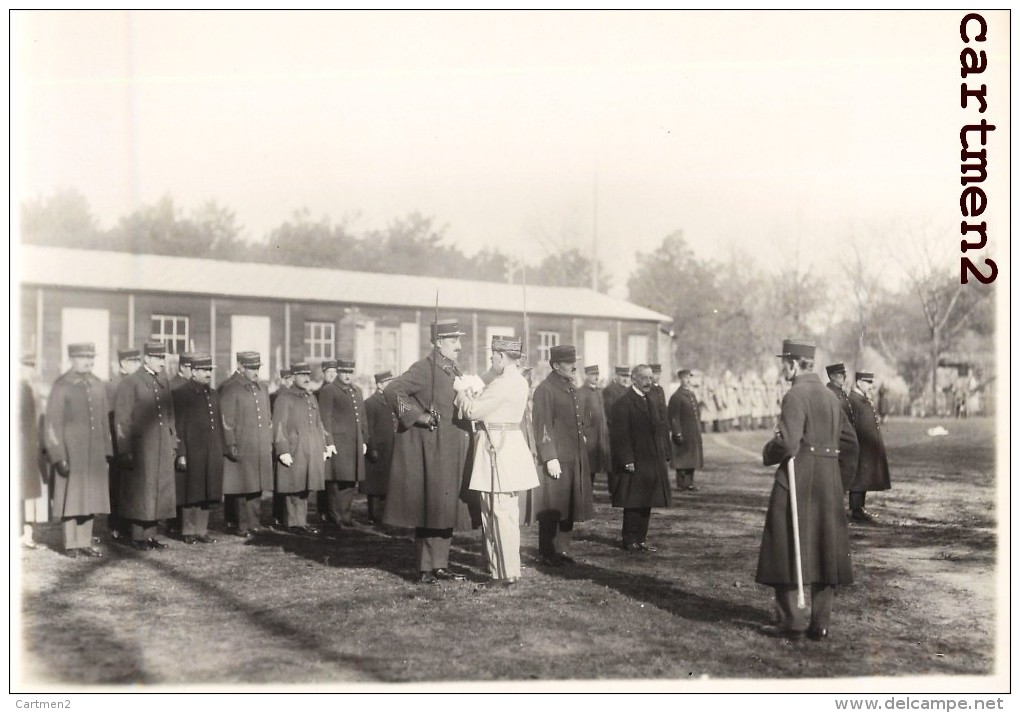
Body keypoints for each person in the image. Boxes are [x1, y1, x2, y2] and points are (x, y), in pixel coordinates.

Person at [756, 338, 857, 641]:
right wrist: (840, 481)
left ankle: (791, 620)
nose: (782, 368)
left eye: (784, 363)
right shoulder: (832, 397)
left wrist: (767, 452)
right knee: (826, 548)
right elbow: (851, 446)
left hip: (797, 480)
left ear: (794, 364)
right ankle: (820, 623)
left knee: (785, 544)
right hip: (828, 482)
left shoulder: (795, 395)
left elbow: (787, 443)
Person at [382, 318, 473, 585]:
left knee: (446, 506)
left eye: (459, 340)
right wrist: (418, 416)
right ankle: (425, 568)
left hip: (452, 448)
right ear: (438, 343)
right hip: (432, 451)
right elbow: (392, 390)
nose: (459, 345)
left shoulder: (453, 370)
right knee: (429, 506)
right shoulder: (424, 369)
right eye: (453, 340)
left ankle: (441, 565)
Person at [461, 336, 540, 588]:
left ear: (502, 357)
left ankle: (503, 573)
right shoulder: (516, 380)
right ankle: (507, 569)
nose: (491, 359)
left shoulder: (503, 383)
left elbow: (473, 411)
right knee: (505, 512)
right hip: (509, 444)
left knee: (497, 512)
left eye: (493, 355)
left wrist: (461, 391)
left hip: (497, 448)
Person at [43, 344, 112, 558]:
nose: (88, 361)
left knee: (90, 497)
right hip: (71, 453)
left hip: (94, 453)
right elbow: (51, 425)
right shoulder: (62, 386)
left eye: (91, 357)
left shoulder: (98, 384)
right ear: (72, 359)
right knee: (71, 497)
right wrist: (58, 456)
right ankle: (70, 543)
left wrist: (107, 451)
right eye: (83, 357)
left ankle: (84, 541)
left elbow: (103, 421)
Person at [531, 344, 593, 567]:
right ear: (556, 365)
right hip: (558, 458)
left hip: (574, 456)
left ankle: (563, 550)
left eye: (574, 361)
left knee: (569, 504)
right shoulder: (545, 389)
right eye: (569, 362)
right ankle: (547, 552)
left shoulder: (569, 386)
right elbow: (543, 425)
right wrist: (550, 457)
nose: (574, 366)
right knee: (552, 505)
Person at [114, 341, 176, 551]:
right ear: (147, 358)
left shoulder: (162, 381)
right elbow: (122, 420)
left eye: (163, 358)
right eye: (158, 358)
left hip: (161, 445)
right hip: (141, 448)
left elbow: (169, 415)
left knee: (158, 489)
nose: (162, 362)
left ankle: (150, 535)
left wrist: (173, 440)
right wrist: (125, 450)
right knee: (142, 491)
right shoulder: (131, 383)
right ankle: (137, 535)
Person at [608, 364, 672, 552]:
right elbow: (620, 435)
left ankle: (641, 539)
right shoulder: (623, 403)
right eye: (644, 378)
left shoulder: (650, 399)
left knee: (647, 500)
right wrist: (627, 459)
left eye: (650, 378)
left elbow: (658, 429)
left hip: (651, 459)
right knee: (633, 501)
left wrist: (664, 453)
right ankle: (629, 539)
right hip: (634, 459)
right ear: (634, 378)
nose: (648, 382)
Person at [271, 362, 335, 533]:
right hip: (294, 448)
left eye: (308, 375)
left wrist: (323, 446)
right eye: (302, 375)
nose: (306, 378)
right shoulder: (284, 398)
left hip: (310, 449)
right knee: (293, 487)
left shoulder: (311, 397)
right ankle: (292, 523)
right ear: (292, 377)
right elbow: (279, 426)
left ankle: (302, 521)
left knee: (305, 486)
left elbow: (318, 424)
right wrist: (282, 450)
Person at [220, 351, 274, 537]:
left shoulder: (262, 387)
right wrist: (230, 444)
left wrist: (268, 441)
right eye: (251, 368)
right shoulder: (231, 388)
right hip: (241, 444)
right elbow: (226, 420)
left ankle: (254, 522)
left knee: (256, 485)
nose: (255, 372)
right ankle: (241, 525)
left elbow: (267, 418)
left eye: (257, 367)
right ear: (240, 367)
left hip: (258, 445)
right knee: (241, 487)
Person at [171, 354, 223, 544]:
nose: (208, 373)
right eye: (204, 370)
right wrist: (181, 453)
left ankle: (202, 530)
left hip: (211, 451)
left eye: (210, 370)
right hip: (192, 451)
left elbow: (217, 424)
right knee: (190, 492)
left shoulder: (214, 394)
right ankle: (188, 531)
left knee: (207, 491)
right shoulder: (182, 394)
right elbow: (179, 426)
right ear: (193, 372)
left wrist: (220, 450)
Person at [318, 359, 368, 527]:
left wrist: (364, 439)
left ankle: (346, 515)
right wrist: (328, 442)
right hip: (338, 444)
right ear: (338, 372)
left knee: (349, 481)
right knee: (335, 482)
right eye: (344, 372)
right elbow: (324, 419)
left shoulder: (357, 391)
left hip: (353, 444)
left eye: (350, 372)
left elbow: (362, 418)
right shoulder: (329, 390)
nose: (347, 375)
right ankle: (335, 516)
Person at [847, 371, 891, 524]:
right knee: (859, 477)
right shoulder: (853, 399)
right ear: (859, 382)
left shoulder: (862, 398)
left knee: (864, 476)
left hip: (866, 444)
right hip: (860, 444)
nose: (871, 386)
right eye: (867, 383)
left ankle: (860, 507)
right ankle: (856, 509)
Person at [106, 348, 141, 539]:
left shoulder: (136, 383)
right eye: (132, 361)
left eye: (138, 361)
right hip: (117, 443)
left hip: (134, 442)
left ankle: (129, 523)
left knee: (131, 487)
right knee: (118, 486)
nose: (136, 365)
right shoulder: (114, 385)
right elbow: (112, 417)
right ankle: (116, 525)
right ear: (122, 364)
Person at [364, 370, 397, 524]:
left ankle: (385, 514)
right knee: (375, 485)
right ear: (379, 385)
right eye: (387, 383)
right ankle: (374, 515)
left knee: (387, 484)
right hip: (378, 449)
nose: (390, 385)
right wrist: (372, 449)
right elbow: (368, 428)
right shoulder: (370, 403)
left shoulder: (392, 400)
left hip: (390, 448)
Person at [825, 362, 859, 492]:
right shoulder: (829, 393)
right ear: (832, 376)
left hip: (846, 439)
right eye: (840, 374)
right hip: (838, 443)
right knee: (839, 480)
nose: (843, 377)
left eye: (844, 374)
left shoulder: (841, 392)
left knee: (846, 477)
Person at [668, 368, 704, 491]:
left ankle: (689, 482)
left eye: (689, 378)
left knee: (692, 458)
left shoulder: (691, 394)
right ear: (680, 380)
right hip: (683, 433)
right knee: (682, 459)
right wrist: (677, 432)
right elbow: (674, 417)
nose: (688, 380)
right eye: (685, 378)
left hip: (692, 433)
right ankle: (681, 483)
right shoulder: (677, 396)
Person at [579, 365, 611, 487]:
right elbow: (580, 415)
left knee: (598, 465)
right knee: (589, 468)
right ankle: (586, 495)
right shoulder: (582, 392)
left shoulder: (599, 391)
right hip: (589, 435)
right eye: (593, 375)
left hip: (600, 435)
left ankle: (590, 494)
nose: (596, 377)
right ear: (586, 376)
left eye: (597, 374)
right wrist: (582, 433)